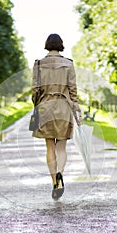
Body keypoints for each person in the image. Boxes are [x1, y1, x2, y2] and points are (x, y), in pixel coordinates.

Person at [31, 33, 82, 200]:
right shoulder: (68, 64)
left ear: (47, 45)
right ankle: (60, 172)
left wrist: (36, 106)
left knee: (50, 148)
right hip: (63, 107)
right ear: (61, 45)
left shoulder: (38, 64)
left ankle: (55, 181)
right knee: (61, 147)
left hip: (45, 107)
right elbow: (73, 90)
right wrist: (77, 111)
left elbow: (35, 90)